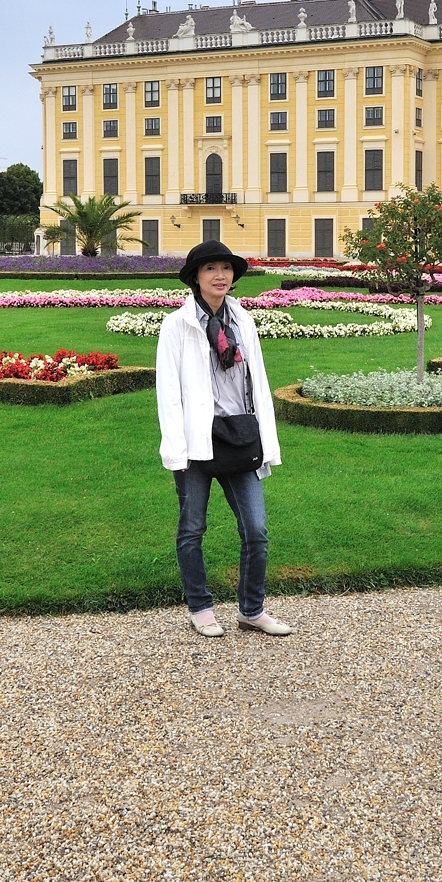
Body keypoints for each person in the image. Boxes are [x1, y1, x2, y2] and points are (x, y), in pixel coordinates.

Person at [155, 238, 291, 639]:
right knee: (192, 528)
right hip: (197, 442)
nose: (220, 275)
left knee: (256, 530)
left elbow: (257, 384)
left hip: (240, 437)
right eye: (211, 268)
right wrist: (176, 450)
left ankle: (252, 610)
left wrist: (266, 438)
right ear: (195, 278)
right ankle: (200, 608)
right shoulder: (177, 325)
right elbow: (168, 392)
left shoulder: (243, 322)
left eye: (226, 268)